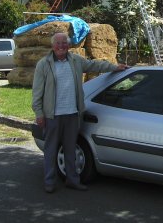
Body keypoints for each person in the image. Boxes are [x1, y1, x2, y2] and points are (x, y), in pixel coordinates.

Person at [32, 32, 129, 193]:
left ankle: (72, 179)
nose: (62, 46)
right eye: (58, 43)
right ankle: (49, 181)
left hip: (72, 114)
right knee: (50, 149)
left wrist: (115, 67)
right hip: (52, 115)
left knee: (71, 149)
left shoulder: (76, 61)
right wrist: (39, 113)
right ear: (53, 46)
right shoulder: (44, 64)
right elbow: (37, 92)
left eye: (64, 43)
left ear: (68, 45)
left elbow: (94, 65)